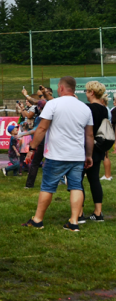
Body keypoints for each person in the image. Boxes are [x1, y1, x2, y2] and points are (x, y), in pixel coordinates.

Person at [22, 77, 94, 232]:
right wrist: (89, 155)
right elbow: (89, 135)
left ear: (61, 88)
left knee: (47, 187)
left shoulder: (53, 104)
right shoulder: (85, 108)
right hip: (77, 155)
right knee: (76, 186)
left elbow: (41, 129)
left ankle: (37, 220)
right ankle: (74, 221)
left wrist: (32, 148)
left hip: (56, 154)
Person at [77, 80, 109, 223]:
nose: (86, 93)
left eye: (86, 91)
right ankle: (98, 212)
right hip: (98, 147)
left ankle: (79, 213)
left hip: (85, 147)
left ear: (91, 92)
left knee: (78, 181)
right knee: (94, 179)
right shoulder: (103, 109)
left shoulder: (86, 108)